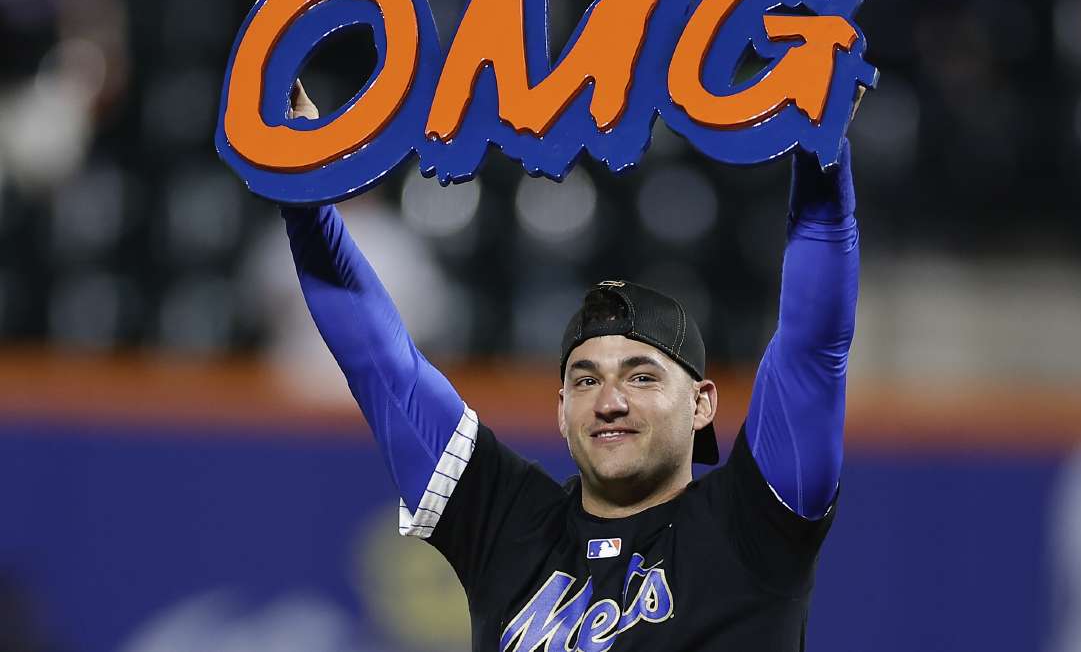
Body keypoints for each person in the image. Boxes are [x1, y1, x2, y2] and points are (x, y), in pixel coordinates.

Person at [280, 81, 859, 651]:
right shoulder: (508, 523)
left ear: (702, 403)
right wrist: (306, 195)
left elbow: (814, 343)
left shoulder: (753, 525)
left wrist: (823, 159)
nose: (610, 400)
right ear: (560, 411)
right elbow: (378, 361)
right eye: (585, 380)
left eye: (642, 376)